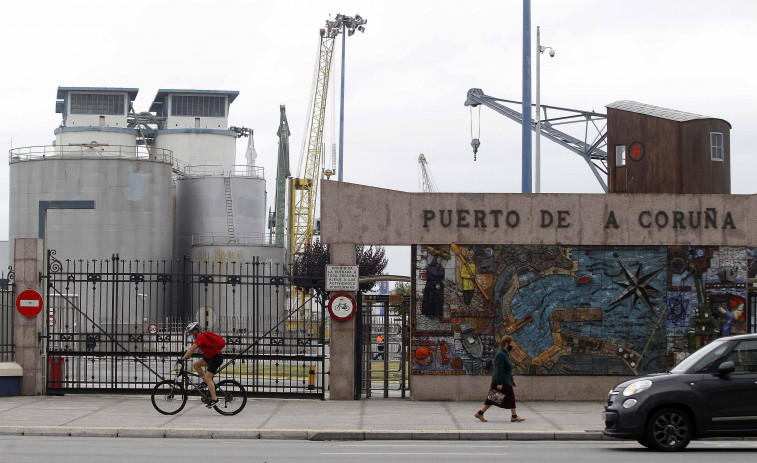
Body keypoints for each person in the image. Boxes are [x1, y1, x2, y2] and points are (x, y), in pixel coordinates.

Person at [474, 335, 525, 423]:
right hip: (501, 382)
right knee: (498, 398)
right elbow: (499, 370)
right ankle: (514, 416)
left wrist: (512, 380)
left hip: (505, 381)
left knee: (495, 399)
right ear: (506, 344)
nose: (511, 346)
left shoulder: (504, 353)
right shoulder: (500, 354)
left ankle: (480, 413)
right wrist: (500, 383)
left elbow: (507, 370)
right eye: (510, 344)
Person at [179, 322, 225, 407]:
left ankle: (214, 399)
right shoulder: (200, 336)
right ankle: (205, 382)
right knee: (196, 364)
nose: (189, 334)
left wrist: (183, 358)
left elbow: (192, 349)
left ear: (195, 331)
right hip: (210, 358)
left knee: (208, 378)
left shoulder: (201, 337)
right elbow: (192, 349)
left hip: (215, 358)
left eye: (190, 332)